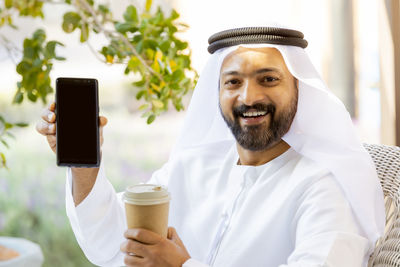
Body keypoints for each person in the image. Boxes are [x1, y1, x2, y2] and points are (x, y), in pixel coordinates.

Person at [36, 25, 385, 267]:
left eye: (269, 79)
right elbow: (110, 243)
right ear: (217, 93)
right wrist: (85, 163)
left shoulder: (324, 185)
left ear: (299, 90)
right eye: (233, 81)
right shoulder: (191, 167)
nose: (249, 97)